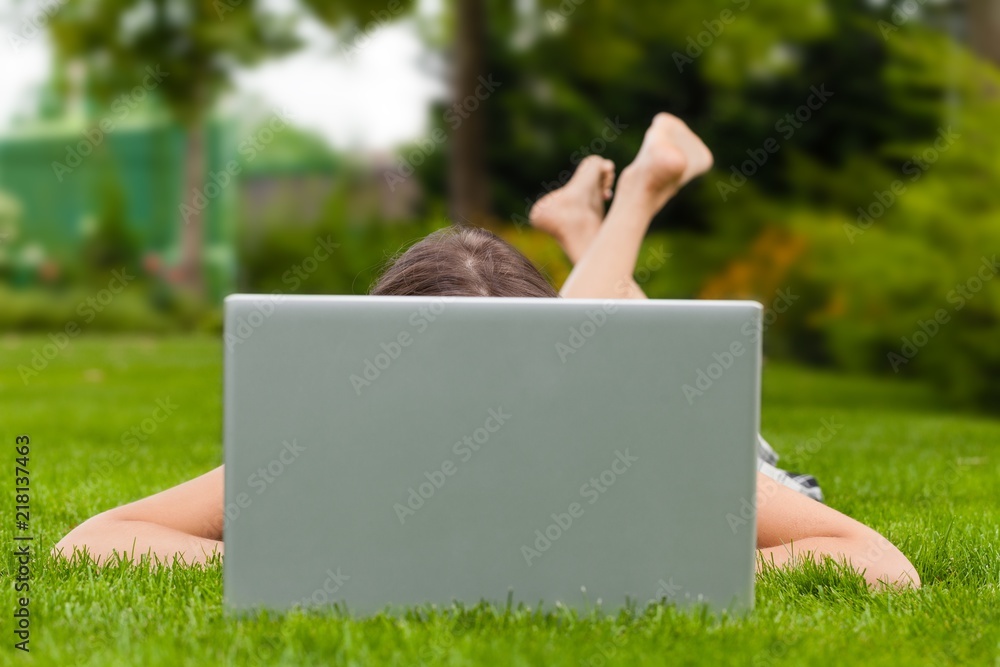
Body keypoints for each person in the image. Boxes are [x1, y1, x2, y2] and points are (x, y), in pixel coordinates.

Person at [53, 114, 920, 589]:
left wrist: (676, 560)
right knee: (581, 352)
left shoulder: (635, 441)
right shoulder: (330, 448)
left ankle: (621, 209)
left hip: (660, 426)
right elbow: (89, 542)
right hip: (587, 389)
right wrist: (290, 559)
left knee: (626, 374)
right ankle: (591, 223)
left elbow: (881, 566)